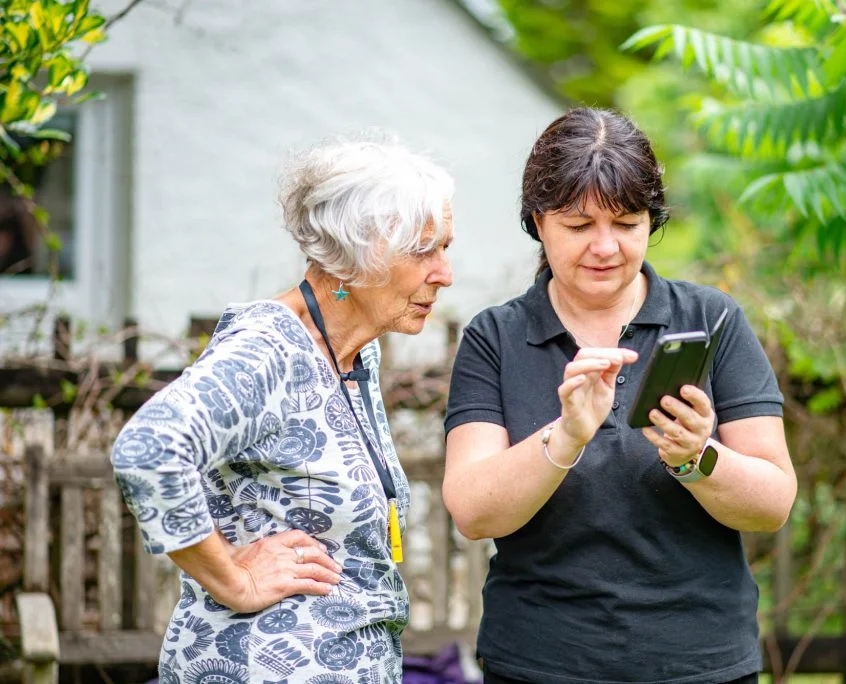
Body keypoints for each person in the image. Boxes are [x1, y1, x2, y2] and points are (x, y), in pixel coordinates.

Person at [442, 108, 796, 684]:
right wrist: (567, 435)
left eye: (627, 224)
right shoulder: (497, 337)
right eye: (579, 226)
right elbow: (474, 512)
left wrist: (697, 457)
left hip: (700, 663)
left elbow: (773, 503)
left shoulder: (711, 319)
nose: (604, 247)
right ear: (539, 222)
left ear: (651, 223)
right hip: (541, 664)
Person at [111, 137, 455, 682]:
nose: (444, 273)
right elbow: (148, 449)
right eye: (423, 251)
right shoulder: (270, 350)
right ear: (356, 252)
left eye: (445, 249)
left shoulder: (354, 348)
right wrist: (232, 579)